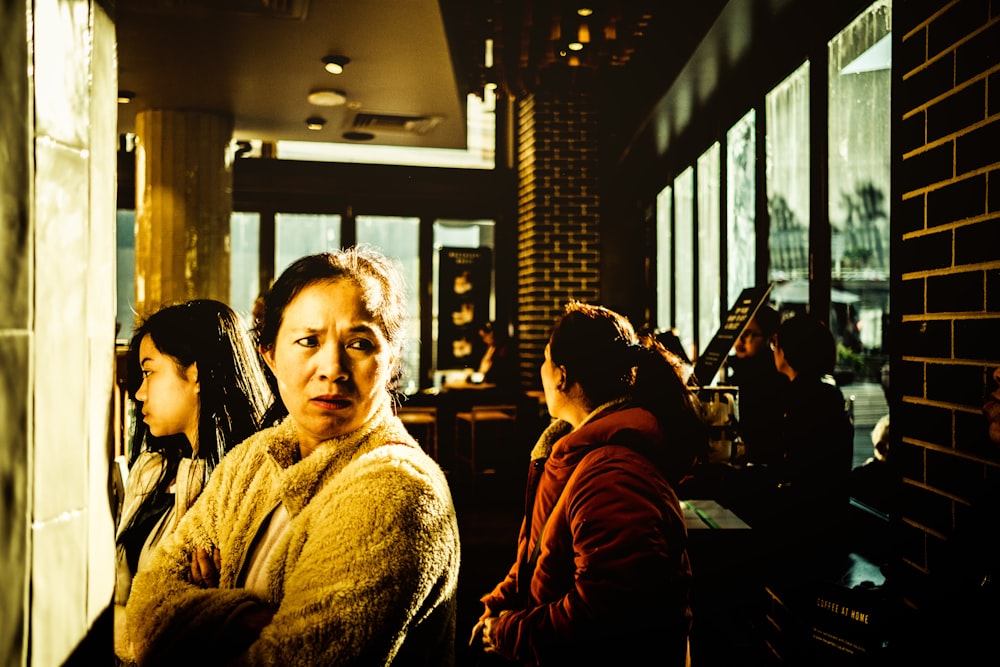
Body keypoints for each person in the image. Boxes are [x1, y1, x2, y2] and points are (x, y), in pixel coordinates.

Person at [126, 246, 461, 666]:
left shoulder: (399, 489)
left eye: (359, 343)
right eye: (308, 341)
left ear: (390, 360)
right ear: (269, 355)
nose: (332, 367)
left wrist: (199, 616)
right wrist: (244, 618)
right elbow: (145, 611)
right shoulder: (253, 460)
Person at [469, 301, 705, 666]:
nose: (540, 370)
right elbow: (542, 552)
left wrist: (507, 632)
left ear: (562, 375)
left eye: (545, 359)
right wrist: (501, 603)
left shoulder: (612, 476)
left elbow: (603, 616)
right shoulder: (572, 451)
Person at [114, 300, 272, 663]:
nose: (140, 393)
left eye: (149, 372)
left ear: (196, 374)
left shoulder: (247, 485)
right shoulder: (151, 470)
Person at [756, 314, 854, 570]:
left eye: (775, 343)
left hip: (805, 529)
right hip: (825, 524)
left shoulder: (805, 397)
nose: (773, 350)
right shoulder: (824, 391)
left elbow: (793, 466)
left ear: (789, 351)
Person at [725, 305, 788, 461]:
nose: (738, 343)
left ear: (769, 338)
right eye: (737, 334)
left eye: (747, 335)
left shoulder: (774, 378)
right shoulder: (738, 372)